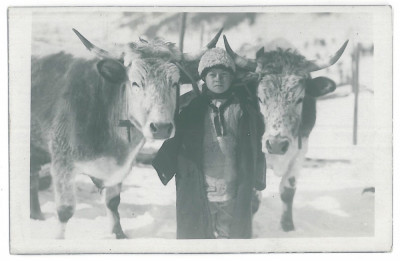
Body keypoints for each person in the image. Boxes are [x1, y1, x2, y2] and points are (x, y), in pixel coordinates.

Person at [152, 47, 266, 239]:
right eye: (212, 74)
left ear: (232, 78)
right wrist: (165, 162)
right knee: (198, 238)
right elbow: (176, 139)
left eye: (224, 74)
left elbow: (255, 144)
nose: (218, 79)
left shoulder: (244, 110)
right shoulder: (192, 109)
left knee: (231, 239)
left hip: (232, 189)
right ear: (204, 78)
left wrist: (257, 177)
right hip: (200, 189)